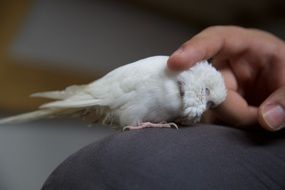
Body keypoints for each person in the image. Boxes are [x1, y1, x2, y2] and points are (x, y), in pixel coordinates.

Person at [41, 26, 285, 190]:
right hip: (103, 97)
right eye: (209, 98)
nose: (207, 107)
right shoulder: (159, 71)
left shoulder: (182, 91)